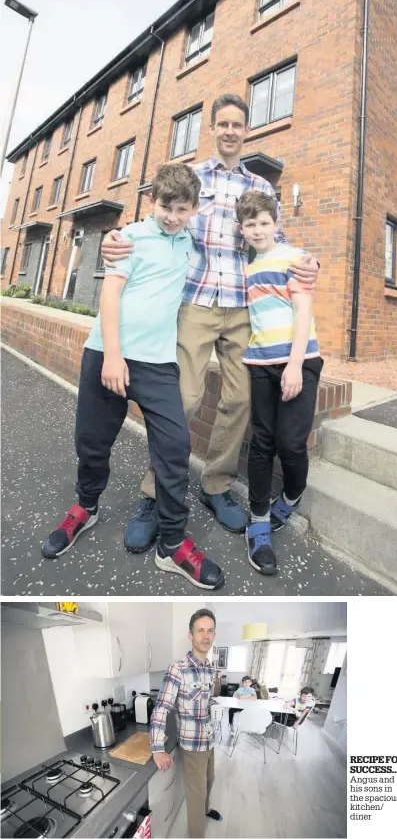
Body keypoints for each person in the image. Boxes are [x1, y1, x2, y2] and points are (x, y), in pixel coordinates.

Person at [101, 93, 320, 550]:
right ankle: (155, 492)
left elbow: (277, 239)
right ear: (213, 129)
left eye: (237, 124)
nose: (229, 130)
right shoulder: (194, 178)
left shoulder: (259, 184)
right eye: (222, 123)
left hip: (243, 308)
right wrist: (116, 239)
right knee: (181, 397)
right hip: (196, 302)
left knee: (239, 402)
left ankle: (216, 485)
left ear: (247, 129)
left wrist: (308, 263)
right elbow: (157, 220)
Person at [41, 164, 224, 591]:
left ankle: (173, 543)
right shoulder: (130, 239)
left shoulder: (189, 244)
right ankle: (85, 508)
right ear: (151, 202)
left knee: (175, 446)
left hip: (158, 363)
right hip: (108, 354)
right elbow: (110, 294)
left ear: (193, 209)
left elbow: (241, 235)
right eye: (165, 206)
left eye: (182, 209)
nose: (172, 216)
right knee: (93, 441)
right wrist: (113, 357)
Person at [236, 190, 324, 576]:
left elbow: (302, 310)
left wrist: (292, 365)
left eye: (264, 223)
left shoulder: (294, 258)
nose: (257, 230)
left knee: (290, 442)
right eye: (250, 224)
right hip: (260, 364)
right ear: (242, 229)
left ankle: (291, 493)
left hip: (298, 362)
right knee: (261, 443)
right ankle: (258, 520)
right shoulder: (248, 269)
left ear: (276, 223)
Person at [150, 608, 222, 839]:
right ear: (190, 635)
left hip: (208, 740)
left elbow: (206, 702)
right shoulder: (177, 669)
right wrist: (157, 748)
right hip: (191, 746)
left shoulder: (210, 668)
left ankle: (206, 810)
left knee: (209, 782)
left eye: (210, 630)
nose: (206, 635)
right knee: (196, 794)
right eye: (200, 630)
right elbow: (162, 707)